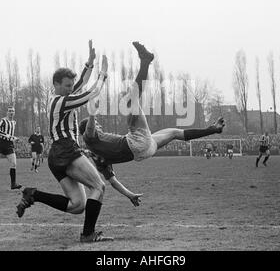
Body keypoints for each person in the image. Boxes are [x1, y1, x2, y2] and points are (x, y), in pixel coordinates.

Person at [78, 43, 225, 204]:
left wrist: (130, 195)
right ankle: (145, 61)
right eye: (96, 125)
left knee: (175, 133)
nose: (98, 126)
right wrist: (92, 112)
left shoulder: (98, 159)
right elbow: (91, 126)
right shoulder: (90, 137)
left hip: (144, 152)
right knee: (129, 100)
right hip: (136, 143)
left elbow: (113, 182)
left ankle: (213, 129)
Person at [16, 40, 113, 243]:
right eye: (67, 86)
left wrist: (89, 63)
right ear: (56, 84)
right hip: (66, 151)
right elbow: (92, 92)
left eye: (71, 86)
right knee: (99, 187)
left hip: (56, 156)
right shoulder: (62, 101)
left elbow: (81, 84)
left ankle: (34, 194)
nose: (71, 89)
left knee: (77, 205)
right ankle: (88, 235)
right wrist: (103, 74)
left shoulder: (59, 96)